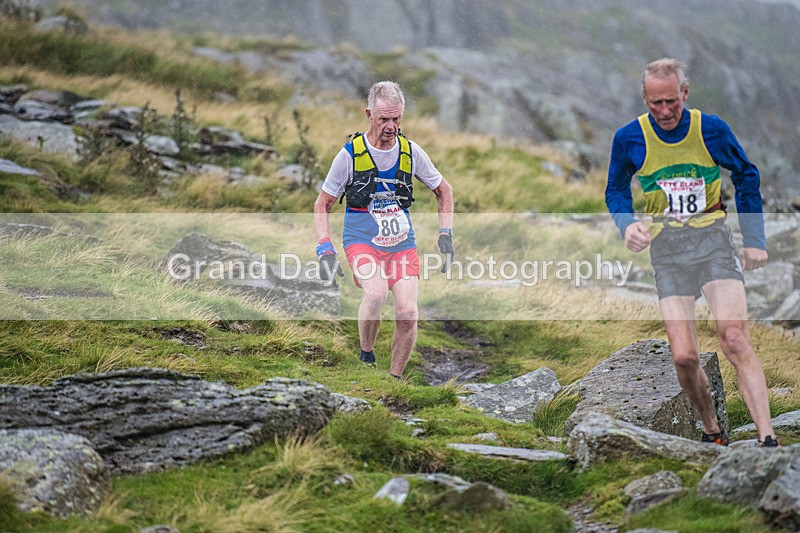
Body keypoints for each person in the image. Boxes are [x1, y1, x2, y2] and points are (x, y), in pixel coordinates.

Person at [605, 58, 779, 447]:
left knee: (733, 336)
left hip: (712, 243)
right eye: (655, 104)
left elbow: (747, 174)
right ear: (645, 99)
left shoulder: (711, 130)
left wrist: (754, 240)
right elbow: (615, 190)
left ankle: (768, 439)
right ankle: (712, 430)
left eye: (672, 101)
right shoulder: (629, 138)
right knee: (684, 356)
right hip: (667, 252)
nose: (665, 112)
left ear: (685, 93)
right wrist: (627, 224)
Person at [313, 81, 454, 379]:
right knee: (375, 294)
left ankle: (394, 379)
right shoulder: (350, 155)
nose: (391, 126)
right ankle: (366, 356)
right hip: (361, 241)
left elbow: (444, 190)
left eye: (397, 119)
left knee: (407, 313)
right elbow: (322, 204)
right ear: (369, 114)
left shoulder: (411, 152)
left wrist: (446, 233)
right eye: (384, 119)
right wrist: (325, 247)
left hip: (401, 244)